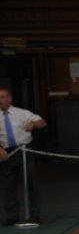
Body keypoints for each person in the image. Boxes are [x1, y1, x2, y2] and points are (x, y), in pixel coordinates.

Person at [0, 88, 45, 225]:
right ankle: (12, 217)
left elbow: (41, 122)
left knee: (31, 182)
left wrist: (33, 124)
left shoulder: (22, 113)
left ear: (9, 98)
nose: (0, 100)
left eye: (2, 97)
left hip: (24, 150)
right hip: (6, 152)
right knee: (9, 185)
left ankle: (34, 215)